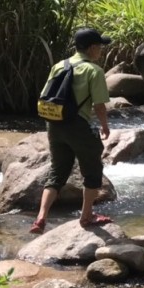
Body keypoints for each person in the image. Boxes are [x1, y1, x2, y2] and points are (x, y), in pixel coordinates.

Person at [30, 27, 113, 234]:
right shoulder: (94, 71)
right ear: (92, 48)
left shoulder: (59, 65)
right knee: (92, 170)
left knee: (57, 171)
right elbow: (99, 105)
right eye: (100, 47)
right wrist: (104, 125)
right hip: (77, 125)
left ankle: (41, 217)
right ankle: (87, 216)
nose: (100, 51)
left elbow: (46, 95)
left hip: (54, 124)